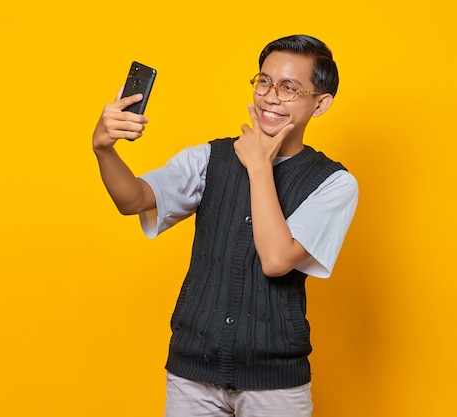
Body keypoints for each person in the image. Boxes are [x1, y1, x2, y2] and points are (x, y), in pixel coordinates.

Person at [92, 34, 358, 417]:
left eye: (289, 88)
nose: (270, 96)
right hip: (191, 375)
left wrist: (259, 166)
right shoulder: (210, 157)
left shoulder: (334, 183)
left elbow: (276, 259)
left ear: (320, 104)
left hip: (276, 383)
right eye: (264, 81)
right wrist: (103, 148)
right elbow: (133, 199)